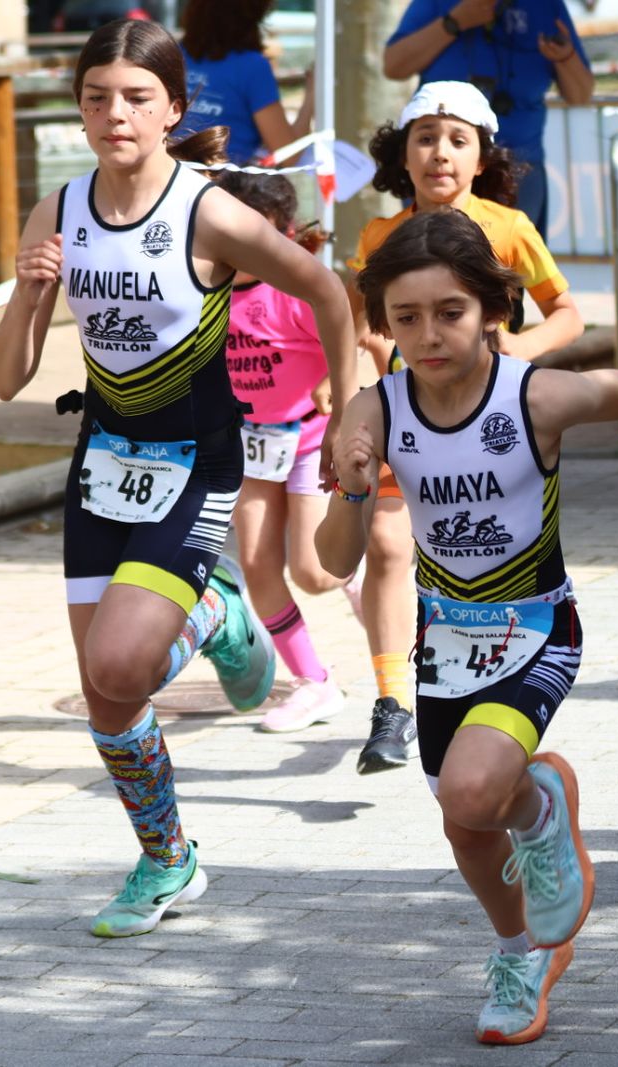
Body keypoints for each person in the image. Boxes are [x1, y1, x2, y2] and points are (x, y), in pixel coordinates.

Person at [0, 19, 355, 939]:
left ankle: (224, 614)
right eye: (98, 96)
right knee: (108, 691)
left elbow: (331, 294)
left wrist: (352, 414)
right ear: (78, 108)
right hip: (103, 461)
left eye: (137, 97)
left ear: (173, 110)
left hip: (198, 457)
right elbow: (4, 378)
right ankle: (167, 858)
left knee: (124, 661)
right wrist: (33, 291)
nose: (116, 113)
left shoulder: (211, 211)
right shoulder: (58, 210)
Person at [316, 208, 618, 1045]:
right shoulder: (373, 408)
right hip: (444, 644)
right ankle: (519, 948)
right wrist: (352, 484)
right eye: (405, 318)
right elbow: (330, 563)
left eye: (448, 312)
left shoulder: (536, 395)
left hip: (537, 629)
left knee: (475, 791)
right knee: (463, 820)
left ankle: (541, 809)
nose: (428, 334)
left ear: (491, 308)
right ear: (383, 324)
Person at [347, 80, 583, 776]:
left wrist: (522, 351)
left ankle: (511, 670)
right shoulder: (377, 235)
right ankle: (392, 703)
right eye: (424, 137)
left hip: (491, 420)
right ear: (403, 153)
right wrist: (358, 379)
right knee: (388, 542)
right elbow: (363, 321)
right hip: (405, 416)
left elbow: (566, 310)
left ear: (483, 157)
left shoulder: (509, 228)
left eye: (457, 139)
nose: (439, 152)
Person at [217, 169, 353, 733]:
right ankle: (314, 683)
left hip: (310, 441)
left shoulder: (297, 291)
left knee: (316, 572)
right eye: (233, 231)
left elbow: (353, 321)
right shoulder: (208, 292)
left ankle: (371, 568)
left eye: (260, 232)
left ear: (285, 234)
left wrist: (340, 392)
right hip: (253, 444)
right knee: (255, 563)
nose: (245, 245)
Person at [383, 0, 595, 235]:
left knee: (510, 266)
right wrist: (453, 23)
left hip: (520, 170)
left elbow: (581, 95)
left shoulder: (546, 5)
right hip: (440, 169)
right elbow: (393, 66)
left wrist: (566, 57)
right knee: (430, 260)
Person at [179, 0, 311, 164]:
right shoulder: (253, 67)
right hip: (224, 183)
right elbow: (288, 155)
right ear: (254, 12)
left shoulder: (176, 54)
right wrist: (311, 97)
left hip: (173, 179)